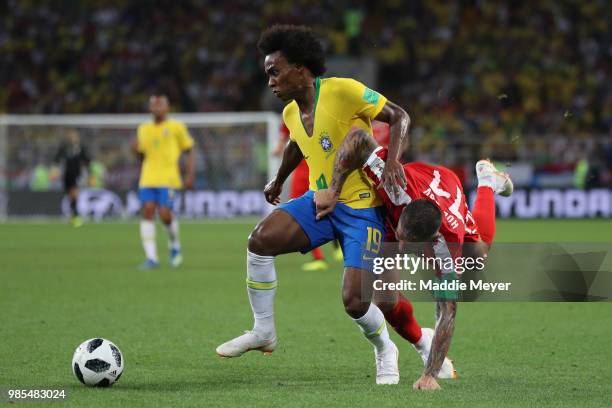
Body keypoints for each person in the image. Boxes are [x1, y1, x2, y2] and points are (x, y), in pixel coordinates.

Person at [216, 25, 411, 385]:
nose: (270, 81)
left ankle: (385, 348)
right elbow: (296, 143)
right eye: (267, 74)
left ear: (301, 69)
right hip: (319, 203)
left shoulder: (343, 90)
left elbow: (399, 116)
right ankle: (264, 331)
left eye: (275, 72)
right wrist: (278, 179)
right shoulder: (291, 112)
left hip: (362, 208)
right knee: (259, 241)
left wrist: (395, 160)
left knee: (354, 302)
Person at [314, 128, 513, 390]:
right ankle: (420, 342)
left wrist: (430, 374)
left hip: (448, 190)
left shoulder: (446, 246)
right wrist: (334, 189)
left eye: (410, 245)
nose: (402, 247)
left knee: (479, 253)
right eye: (401, 237)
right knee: (385, 299)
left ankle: (487, 182)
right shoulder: (395, 188)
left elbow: (447, 312)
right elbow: (359, 138)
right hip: (417, 184)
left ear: (430, 241)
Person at [132, 94, 195, 269]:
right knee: (148, 212)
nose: (157, 108)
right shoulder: (143, 129)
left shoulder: (176, 127)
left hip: (169, 178)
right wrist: (135, 151)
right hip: (147, 178)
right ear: (150, 108)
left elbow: (189, 150)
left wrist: (190, 175)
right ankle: (151, 258)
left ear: (167, 108)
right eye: (154, 105)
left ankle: (174, 245)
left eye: (161, 105)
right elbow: (142, 156)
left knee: (165, 214)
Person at [271, 121, 343, 271]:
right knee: (330, 206)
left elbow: (285, 138)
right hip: (323, 168)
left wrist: (278, 148)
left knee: (300, 212)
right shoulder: (297, 111)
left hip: (306, 170)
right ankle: (339, 247)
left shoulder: (294, 112)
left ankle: (319, 258)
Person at [54, 129, 91, 227]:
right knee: (70, 195)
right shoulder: (65, 147)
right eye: (71, 135)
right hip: (66, 174)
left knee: (74, 194)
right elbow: (57, 159)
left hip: (76, 174)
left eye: (74, 135)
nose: (72, 137)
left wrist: (88, 172)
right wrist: (56, 169)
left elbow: (87, 160)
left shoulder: (80, 148)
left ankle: (76, 216)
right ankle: (73, 216)